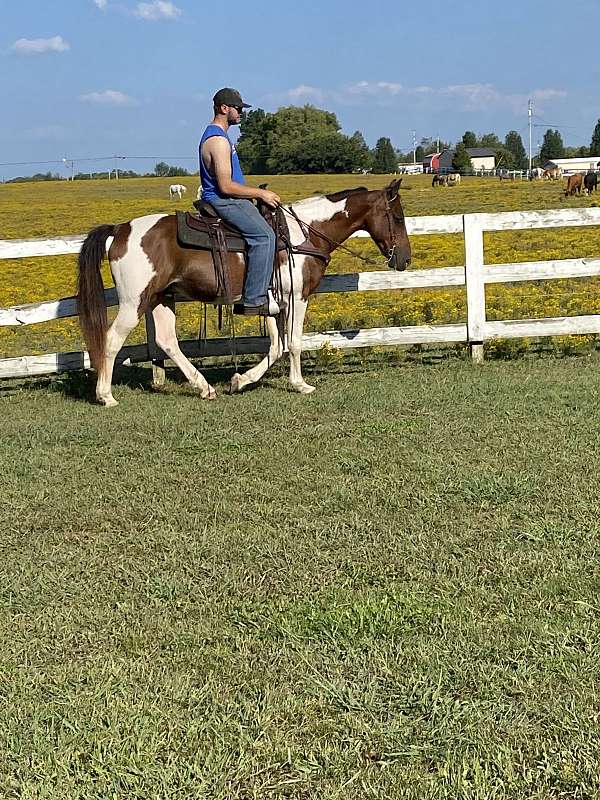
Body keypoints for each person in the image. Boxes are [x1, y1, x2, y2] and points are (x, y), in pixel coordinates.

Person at [199, 88, 282, 316]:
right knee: (265, 237)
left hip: (228, 198)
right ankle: (254, 299)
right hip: (224, 200)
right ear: (224, 108)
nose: (240, 112)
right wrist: (260, 194)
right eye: (237, 108)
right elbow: (225, 186)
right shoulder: (217, 140)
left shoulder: (221, 137)